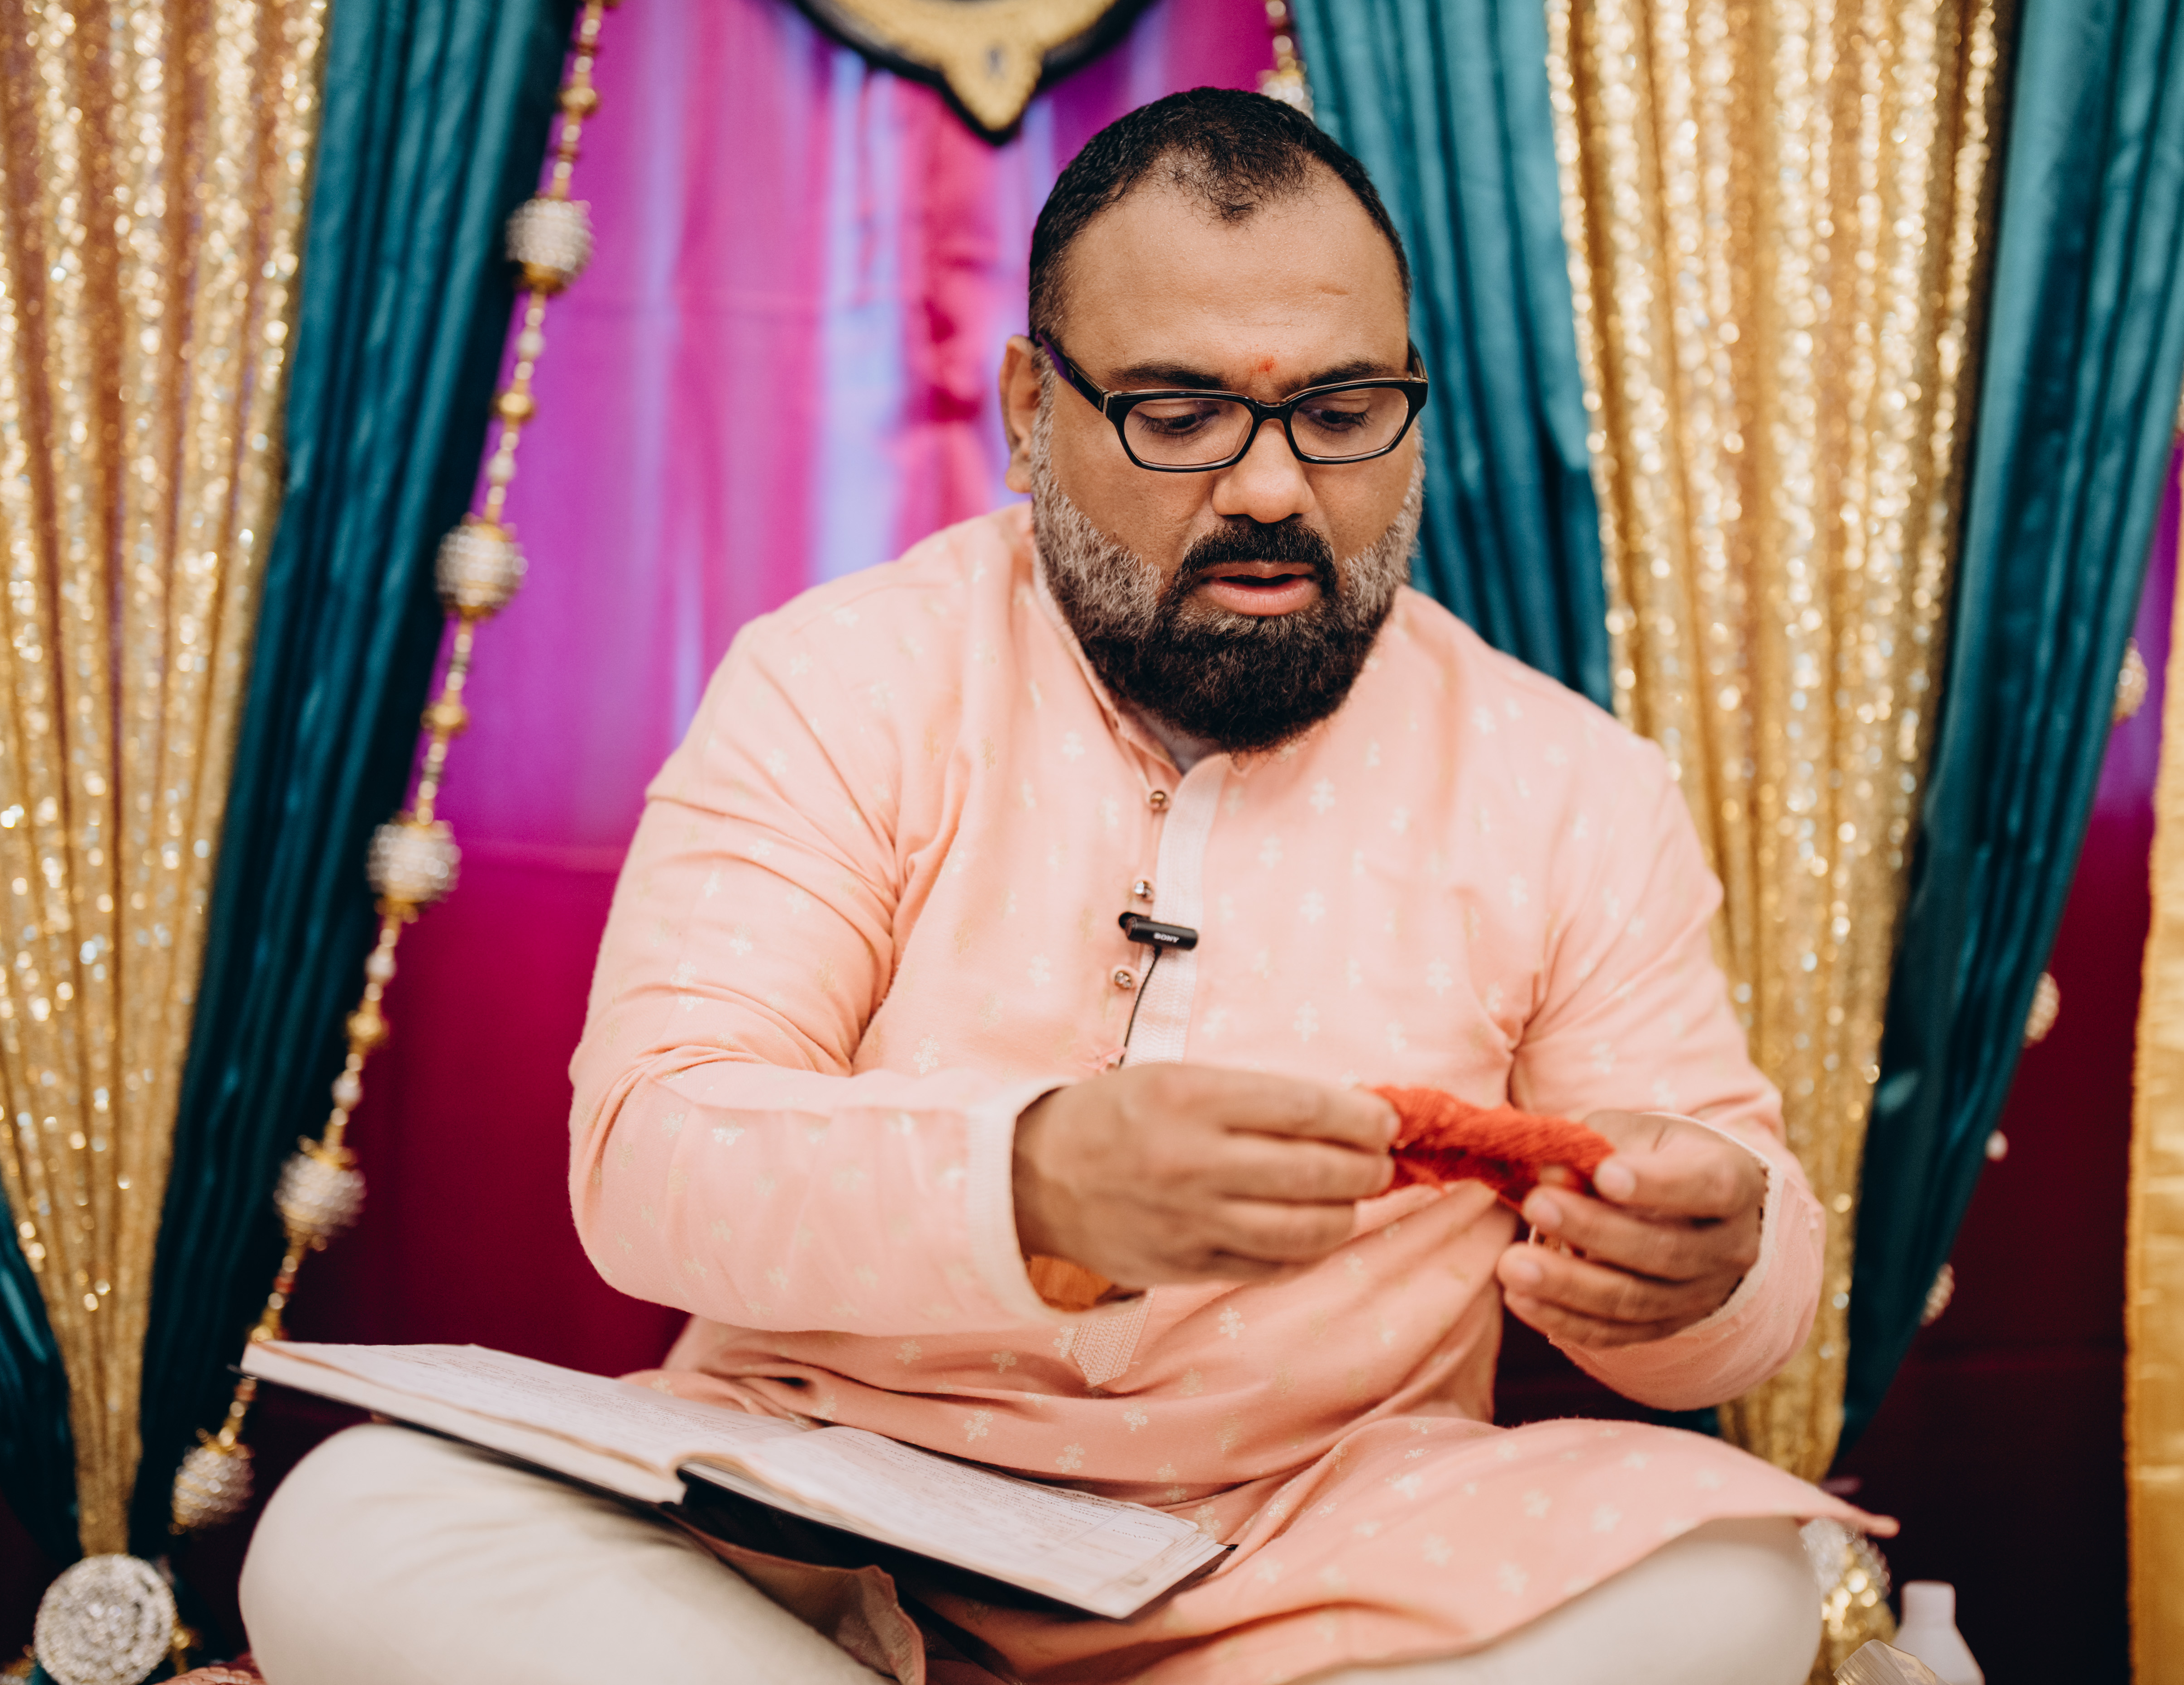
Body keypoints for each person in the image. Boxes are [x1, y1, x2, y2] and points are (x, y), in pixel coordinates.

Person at [242, 88, 1878, 1685]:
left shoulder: (1567, 780)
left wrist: (1711, 1259)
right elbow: (653, 1155)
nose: (1271, 488)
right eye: (1178, 414)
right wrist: (1028, 1184)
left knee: (1731, 1579)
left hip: (1313, 1542)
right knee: (362, 1524)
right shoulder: (846, 682)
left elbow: (1732, 1255)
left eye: (1339, 411)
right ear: (1033, 405)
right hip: (808, 1515)